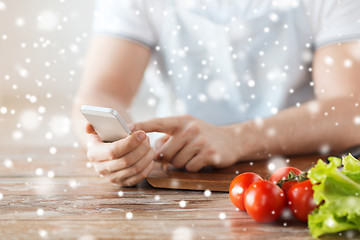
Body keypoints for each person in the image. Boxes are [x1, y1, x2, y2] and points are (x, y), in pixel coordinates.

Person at [72, 0, 360, 187]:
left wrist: (237, 138)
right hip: (180, 175)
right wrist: (103, 145)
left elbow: (351, 110)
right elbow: (101, 91)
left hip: (298, 178)